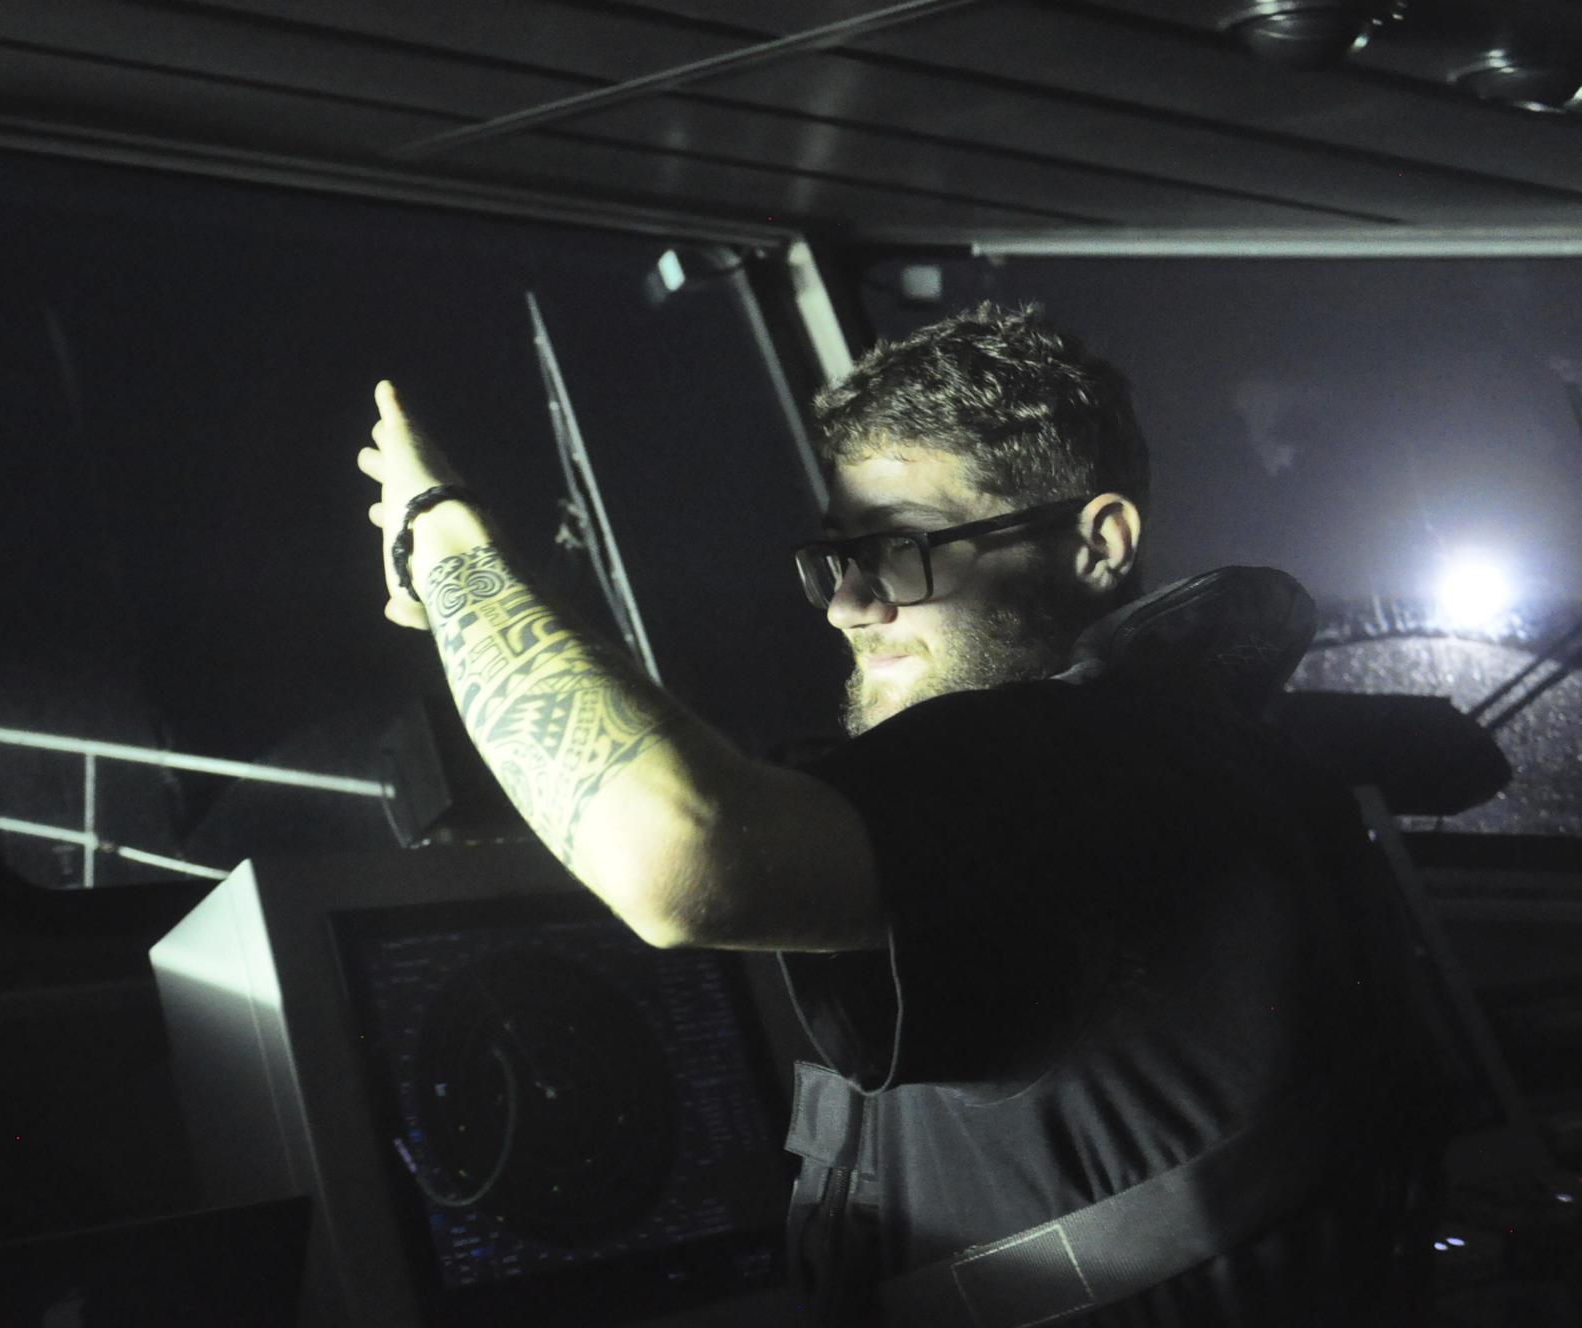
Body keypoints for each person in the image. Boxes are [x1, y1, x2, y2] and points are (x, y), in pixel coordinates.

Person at [356, 303, 1437, 1325]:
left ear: (1097, 541)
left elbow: (677, 854)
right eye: (839, 553)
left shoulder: (1068, 752)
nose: (848, 600)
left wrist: (442, 538)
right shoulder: (1193, 755)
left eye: (903, 545)